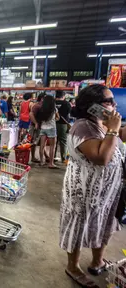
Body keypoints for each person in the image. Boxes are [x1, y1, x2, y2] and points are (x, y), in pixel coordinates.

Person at [60, 85, 125, 288]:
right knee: (79, 226)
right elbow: (100, 158)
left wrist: (115, 128)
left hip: (107, 191)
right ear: (92, 106)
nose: (113, 105)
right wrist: (113, 129)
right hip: (84, 192)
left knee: (103, 223)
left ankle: (98, 261)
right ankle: (73, 266)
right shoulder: (81, 127)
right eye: (108, 101)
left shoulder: (101, 123)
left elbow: (119, 136)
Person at [37, 95, 59, 168]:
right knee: (52, 146)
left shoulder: (41, 109)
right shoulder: (54, 109)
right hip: (51, 128)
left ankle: (41, 161)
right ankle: (51, 163)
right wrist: (54, 119)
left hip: (43, 128)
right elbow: (58, 117)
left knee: (42, 146)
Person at [55, 91, 71, 162]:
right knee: (63, 141)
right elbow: (69, 112)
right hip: (63, 124)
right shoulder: (66, 103)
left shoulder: (52, 103)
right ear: (63, 96)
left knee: (54, 141)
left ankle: (53, 157)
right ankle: (63, 158)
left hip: (53, 124)